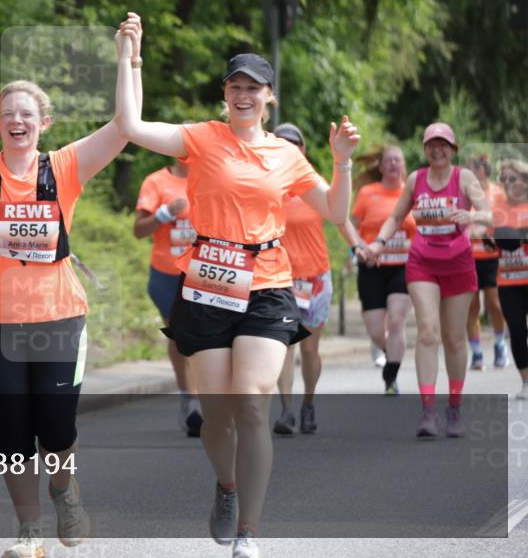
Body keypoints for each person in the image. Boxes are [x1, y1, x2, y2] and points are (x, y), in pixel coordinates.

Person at [0, 15, 140, 558]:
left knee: (55, 429)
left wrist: (128, 58)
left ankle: (64, 488)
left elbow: (123, 127)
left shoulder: (66, 166)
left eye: (27, 114)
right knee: (13, 432)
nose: (17, 120)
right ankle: (29, 532)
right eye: (8, 114)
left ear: (44, 123)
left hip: (58, 317)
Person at [115, 48, 359, 558]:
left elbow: (336, 210)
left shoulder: (286, 155)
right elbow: (131, 125)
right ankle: (226, 485)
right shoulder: (202, 137)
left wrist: (341, 162)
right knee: (216, 417)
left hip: (267, 284)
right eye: (235, 87)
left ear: (269, 97)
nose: (243, 95)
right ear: (225, 94)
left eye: (253, 88)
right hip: (208, 282)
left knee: (251, 401)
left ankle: (248, 531)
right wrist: (129, 60)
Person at [366, 123, 491, 439]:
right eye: (432, 145)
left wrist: (472, 216)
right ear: (425, 149)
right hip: (423, 263)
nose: (438, 150)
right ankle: (428, 411)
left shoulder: (464, 178)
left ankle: (454, 408)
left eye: (443, 145)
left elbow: (489, 213)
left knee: (454, 338)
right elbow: (396, 216)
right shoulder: (415, 179)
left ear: (453, 149)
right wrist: (379, 242)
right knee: (427, 332)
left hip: (459, 265)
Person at [271, 123, 334, 436]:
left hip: (315, 278)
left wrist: (359, 246)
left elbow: (340, 215)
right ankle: (286, 411)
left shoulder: (313, 184)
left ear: (302, 149)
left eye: (293, 143)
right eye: (280, 141)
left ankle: (308, 402)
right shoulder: (265, 186)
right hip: (280, 279)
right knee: (284, 345)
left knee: (309, 350)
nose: (286, 146)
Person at [339, 146, 415, 394]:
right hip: (371, 266)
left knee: (396, 320)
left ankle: (391, 377)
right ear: (381, 166)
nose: (393, 164)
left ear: (403, 165)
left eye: (398, 160)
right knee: (375, 330)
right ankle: (389, 350)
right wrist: (358, 250)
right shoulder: (367, 193)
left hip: (403, 267)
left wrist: (407, 248)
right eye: (389, 160)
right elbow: (353, 227)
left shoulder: (412, 195)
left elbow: (423, 233)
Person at [134, 160, 203, 435]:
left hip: (203, 271)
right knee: (179, 336)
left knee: (201, 336)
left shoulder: (212, 177)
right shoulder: (156, 182)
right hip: (167, 273)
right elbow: (139, 231)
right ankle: (190, 398)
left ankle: (202, 400)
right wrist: (163, 214)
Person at [466, 154, 508, 369]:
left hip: (492, 257)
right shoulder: (464, 193)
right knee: (472, 307)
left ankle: (500, 344)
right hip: (468, 257)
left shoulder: (498, 192)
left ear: (481, 170)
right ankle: (476, 353)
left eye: (470, 169)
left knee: (495, 304)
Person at [493, 159, 528, 399]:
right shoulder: (496, 209)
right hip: (508, 282)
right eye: (503, 179)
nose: (508, 183)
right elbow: (484, 236)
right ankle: (526, 382)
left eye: (513, 178)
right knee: (516, 330)